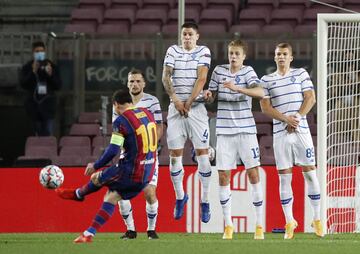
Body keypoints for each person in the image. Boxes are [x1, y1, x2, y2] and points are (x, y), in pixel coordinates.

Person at [55, 88, 157, 243]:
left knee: (98, 179)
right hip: (147, 172)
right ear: (131, 101)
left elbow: (113, 150)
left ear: (115, 105)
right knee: (111, 194)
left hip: (130, 170)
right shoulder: (147, 113)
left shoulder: (121, 121)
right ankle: (88, 233)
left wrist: (96, 165)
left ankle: (78, 195)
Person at [259, 43, 323, 239]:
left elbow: (310, 99)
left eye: (284, 54)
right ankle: (289, 222)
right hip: (280, 133)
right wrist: (286, 120)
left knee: (310, 175)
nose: (281, 57)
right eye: (278, 54)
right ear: (274, 57)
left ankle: (317, 219)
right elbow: (265, 108)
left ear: (291, 57)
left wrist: (295, 118)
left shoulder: (301, 74)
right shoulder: (266, 80)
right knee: (284, 177)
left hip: (301, 132)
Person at [203, 39, 265, 240]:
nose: (233, 57)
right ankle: (228, 225)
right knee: (223, 176)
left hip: (246, 130)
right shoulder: (219, 71)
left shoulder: (248, 72)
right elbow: (211, 96)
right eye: (231, 53)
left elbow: (259, 92)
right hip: (224, 130)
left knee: (253, 174)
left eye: (237, 53)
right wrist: (208, 95)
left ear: (243, 56)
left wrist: (238, 88)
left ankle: (258, 225)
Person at [162, 22, 212, 222]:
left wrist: (189, 102)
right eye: (184, 34)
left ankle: (205, 201)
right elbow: (166, 77)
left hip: (196, 110)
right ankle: (180, 197)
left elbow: (201, 79)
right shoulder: (172, 50)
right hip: (176, 110)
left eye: (190, 34)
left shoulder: (203, 51)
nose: (187, 37)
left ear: (197, 36)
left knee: (203, 155)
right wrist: (176, 100)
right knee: (174, 157)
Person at [112, 69, 163, 240]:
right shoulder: (120, 103)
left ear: (144, 84)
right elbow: (118, 130)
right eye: (131, 81)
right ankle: (131, 230)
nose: (134, 84)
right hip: (128, 156)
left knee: (149, 192)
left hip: (148, 155)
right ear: (127, 84)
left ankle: (151, 230)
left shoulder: (152, 101)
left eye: (137, 81)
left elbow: (159, 126)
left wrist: (151, 144)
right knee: (121, 192)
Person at [20, 41, 61, 136]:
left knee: (47, 134)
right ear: (33, 52)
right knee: (35, 135)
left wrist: (50, 75)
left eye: (41, 51)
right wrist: (33, 72)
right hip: (33, 108)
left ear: (45, 52)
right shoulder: (27, 67)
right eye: (37, 51)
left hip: (48, 107)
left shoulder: (51, 66)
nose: (39, 53)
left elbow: (58, 85)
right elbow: (23, 84)